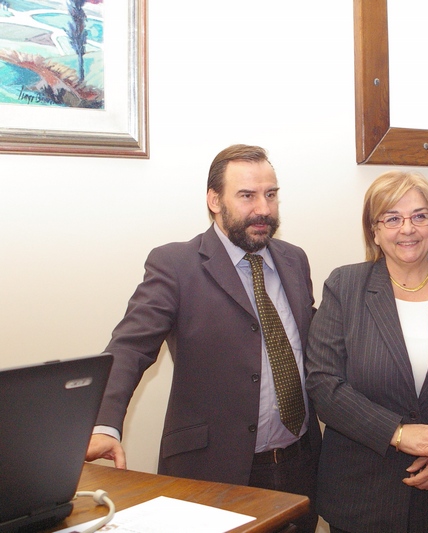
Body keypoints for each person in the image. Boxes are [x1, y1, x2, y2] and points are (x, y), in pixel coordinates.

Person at [85, 144, 321, 533]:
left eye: (271, 194)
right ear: (214, 200)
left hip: (299, 465)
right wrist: (103, 424)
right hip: (213, 472)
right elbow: (130, 346)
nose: (263, 208)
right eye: (247, 195)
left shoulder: (294, 259)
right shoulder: (176, 264)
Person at [305, 170, 428, 533]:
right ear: (374, 230)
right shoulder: (345, 285)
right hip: (362, 496)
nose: (408, 229)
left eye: (420, 216)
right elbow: (323, 384)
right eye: (392, 218)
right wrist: (398, 433)